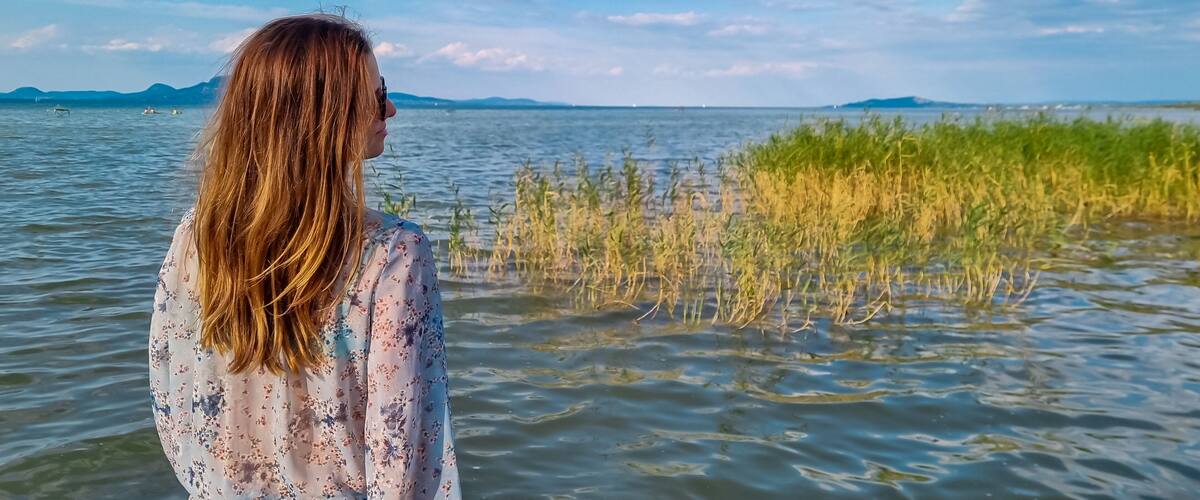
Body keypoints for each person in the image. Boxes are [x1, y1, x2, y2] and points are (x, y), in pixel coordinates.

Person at [148, 14, 460, 499]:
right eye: (378, 96)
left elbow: (171, 398)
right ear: (325, 113)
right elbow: (405, 455)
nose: (391, 109)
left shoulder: (197, 234)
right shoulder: (394, 253)